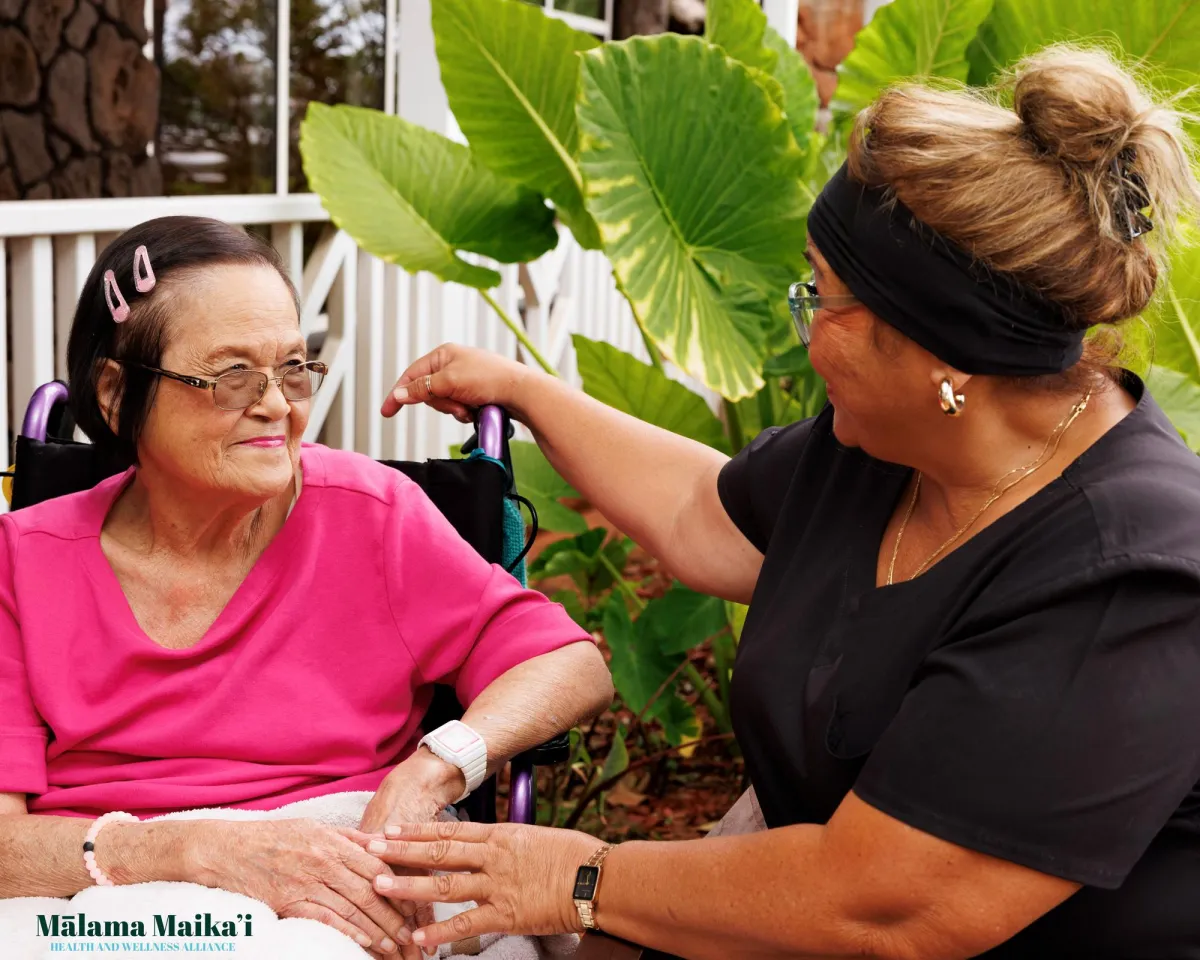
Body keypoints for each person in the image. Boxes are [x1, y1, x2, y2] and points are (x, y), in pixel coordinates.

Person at [358, 47, 1200, 959]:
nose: (802, 325)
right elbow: (699, 514)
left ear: (940, 357)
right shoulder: (890, 449)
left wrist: (576, 878)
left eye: (820, 298)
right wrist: (524, 390)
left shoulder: (1132, 572)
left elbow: (887, 906)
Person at [0, 216, 613, 959]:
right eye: (231, 377)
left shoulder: (370, 516)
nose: (277, 405)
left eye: (293, 369)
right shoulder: (21, 564)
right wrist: (195, 852)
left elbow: (567, 663)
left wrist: (439, 763)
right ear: (114, 392)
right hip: (97, 896)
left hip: (334, 876)